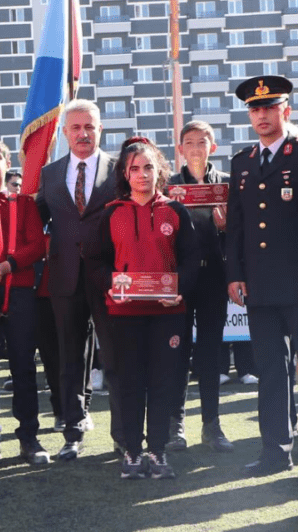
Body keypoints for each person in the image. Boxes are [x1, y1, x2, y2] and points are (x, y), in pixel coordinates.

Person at [89, 138, 199, 479]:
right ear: (125, 173)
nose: (142, 174)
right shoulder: (112, 213)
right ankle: (133, 452)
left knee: (163, 382)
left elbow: (192, 260)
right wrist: (113, 283)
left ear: (160, 171)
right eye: (135, 168)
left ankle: (158, 452)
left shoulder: (176, 212)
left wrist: (178, 288)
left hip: (167, 314)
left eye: (149, 167)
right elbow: (94, 261)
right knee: (129, 383)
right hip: (124, 315)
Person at [36, 99, 121, 459]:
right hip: (65, 277)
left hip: (109, 276)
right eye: (76, 128)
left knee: (116, 356)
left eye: (89, 127)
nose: (83, 133)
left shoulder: (120, 170)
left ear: (100, 129)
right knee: (69, 356)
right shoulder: (49, 174)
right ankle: (73, 430)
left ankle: (123, 433)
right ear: (65, 133)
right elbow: (36, 220)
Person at [227, 75, 298, 476]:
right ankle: (276, 453)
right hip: (259, 287)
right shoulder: (243, 163)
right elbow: (236, 227)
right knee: (271, 370)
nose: (261, 115)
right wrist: (234, 274)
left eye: (268, 108)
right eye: (255, 109)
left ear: (284, 110)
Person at [0, 139, 49, 469]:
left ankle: (28, 437)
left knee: (23, 368)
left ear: (6, 164)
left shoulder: (23, 204)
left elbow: (38, 246)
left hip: (18, 293)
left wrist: (9, 265)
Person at [165, 121, 233, 453]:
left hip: (214, 279)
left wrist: (226, 225)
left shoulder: (227, 185)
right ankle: (175, 427)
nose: (195, 147)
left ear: (213, 147)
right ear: (180, 149)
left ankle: (212, 425)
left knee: (210, 353)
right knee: (176, 354)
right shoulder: (168, 185)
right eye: (189, 142)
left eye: (202, 141)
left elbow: (242, 235)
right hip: (179, 281)